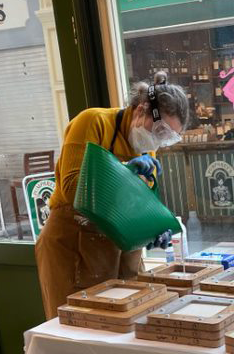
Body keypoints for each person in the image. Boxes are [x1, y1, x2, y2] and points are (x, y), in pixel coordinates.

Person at [35, 71, 189, 320]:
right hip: (73, 243)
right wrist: (125, 172)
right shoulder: (93, 121)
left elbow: (138, 205)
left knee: (127, 328)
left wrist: (150, 229)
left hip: (120, 246)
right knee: (78, 331)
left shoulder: (146, 148)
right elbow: (74, 188)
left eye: (167, 138)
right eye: (160, 130)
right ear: (141, 110)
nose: (158, 142)